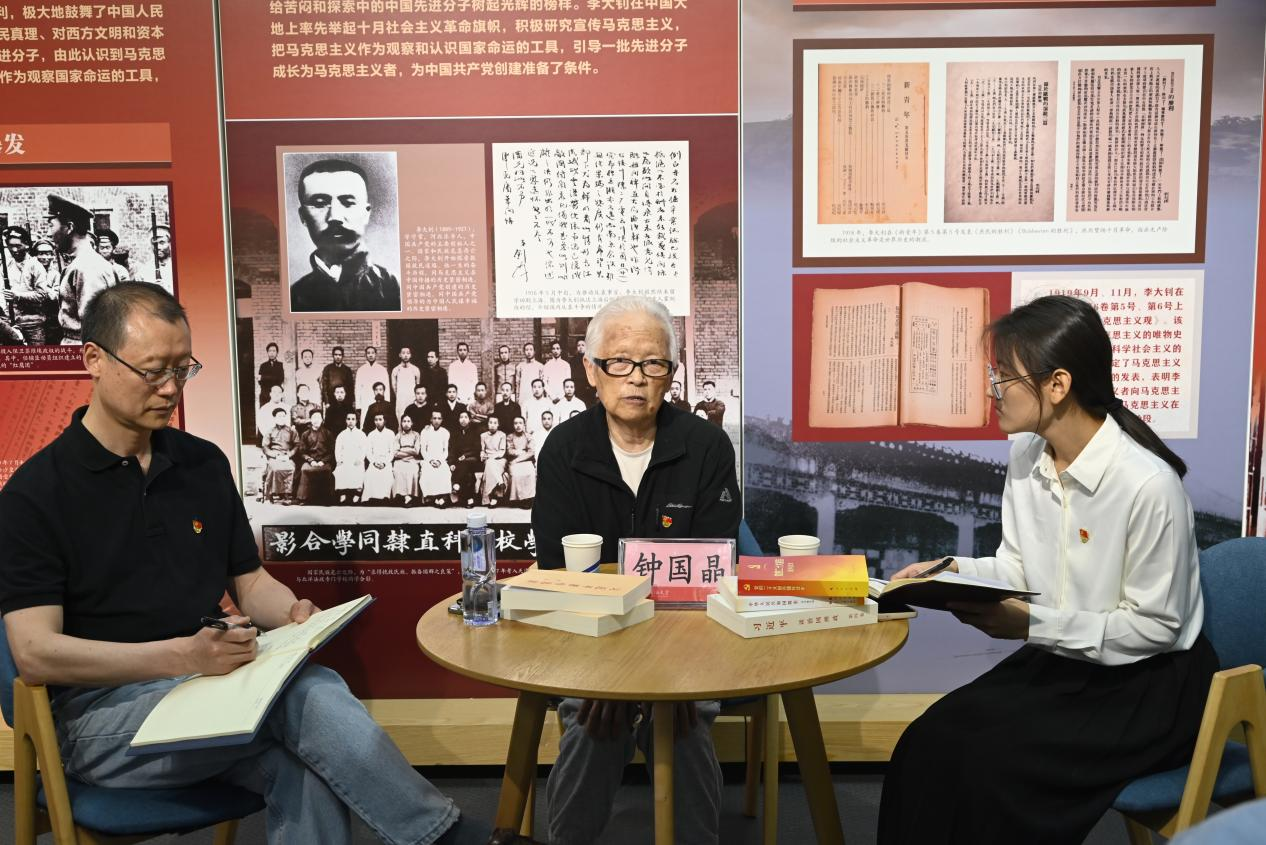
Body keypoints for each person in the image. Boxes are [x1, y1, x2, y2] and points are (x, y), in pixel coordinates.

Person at [0, 283, 489, 845]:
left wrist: (292, 613)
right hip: (100, 720)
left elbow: (250, 580)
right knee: (302, 696)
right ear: (94, 359)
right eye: (153, 371)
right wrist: (182, 656)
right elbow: (35, 653)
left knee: (307, 763)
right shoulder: (36, 494)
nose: (170, 388)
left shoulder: (200, 464)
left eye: (183, 370)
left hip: (206, 687)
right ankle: (446, 836)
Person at [877, 296, 1217, 845]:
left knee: (988, 769)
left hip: (1146, 684)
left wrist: (1032, 625)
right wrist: (950, 570)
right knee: (925, 741)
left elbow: (1156, 627)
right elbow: (1018, 564)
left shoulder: (1149, 485)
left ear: (1057, 385)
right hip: (1065, 658)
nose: (992, 391)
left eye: (1003, 377)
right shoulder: (1024, 455)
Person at [532, 294, 740, 845]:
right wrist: (613, 680)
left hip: (687, 642)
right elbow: (558, 577)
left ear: (671, 372)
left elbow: (712, 574)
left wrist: (669, 682)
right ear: (591, 370)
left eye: (653, 364)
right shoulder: (564, 449)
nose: (637, 378)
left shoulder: (706, 446)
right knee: (593, 723)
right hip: (592, 643)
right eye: (619, 362)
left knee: (684, 727)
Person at [289, 158, 400, 312]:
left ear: (366, 213)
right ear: (303, 216)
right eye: (320, 203)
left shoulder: (395, 288)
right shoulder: (294, 297)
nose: (335, 217)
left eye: (348, 203)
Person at [49, 195, 118, 344]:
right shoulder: (85, 263)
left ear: (69, 227)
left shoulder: (87, 267)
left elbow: (95, 327)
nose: (49, 233)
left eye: (51, 225)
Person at [3, 235, 58, 345]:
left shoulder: (54, 274)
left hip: (45, 320)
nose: (44, 257)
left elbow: (54, 295)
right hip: (19, 319)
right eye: (41, 253)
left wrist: (48, 292)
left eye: (48, 254)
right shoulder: (13, 267)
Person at [295, 408, 335, 505]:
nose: (316, 420)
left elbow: (332, 451)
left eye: (318, 418)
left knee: (327, 470)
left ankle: (326, 499)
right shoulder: (305, 434)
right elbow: (302, 452)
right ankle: (303, 498)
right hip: (310, 461)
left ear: (322, 420)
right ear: (310, 420)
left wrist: (323, 461)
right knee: (305, 470)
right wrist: (310, 460)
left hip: (324, 461)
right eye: (314, 418)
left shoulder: (328, 433)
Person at [261, 407, 297, 505]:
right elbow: (265, 447)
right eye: (279, 416)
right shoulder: (270, 431)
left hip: (287, 456)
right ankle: (273, 493)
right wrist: (274, 455)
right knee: (275, 468)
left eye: (283, 416)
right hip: (274, 456)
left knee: (291, 468)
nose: (282, 418)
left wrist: (289, 455)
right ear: (274, 418)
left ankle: (287, 494)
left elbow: (297, 445)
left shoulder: (291, 431)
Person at [419, 410, 452, 508]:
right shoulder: (425, 432)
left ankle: (442, 497)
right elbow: (423, 450)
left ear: (442, 420)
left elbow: (445, 451)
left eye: (439, 418)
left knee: (445, 471)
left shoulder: (445, 432)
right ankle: (432, 497)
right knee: (428, 471)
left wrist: (439, 461)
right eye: (434, 418)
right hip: (428, 458)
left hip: (441, 459)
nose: (437, 421)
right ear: (431, 419)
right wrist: (430, 461)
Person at [361, 411, 396, 505]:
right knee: (370, 474)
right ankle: (371, 497)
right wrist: (374, 462)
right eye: (376, 420)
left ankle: (385, 497)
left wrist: (385, 463)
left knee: (386, 474)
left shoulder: (390, 434)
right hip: (374, 460)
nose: (378, 422)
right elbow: (368, 452)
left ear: (384, 421)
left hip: (386, 461)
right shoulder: (371, 434)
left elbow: (392, 452)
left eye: (380, 419)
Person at [334, 410, 368, 505]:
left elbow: (364, 449)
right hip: (345, 459)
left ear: (356, 421)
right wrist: (339, 460)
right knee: (340, 468)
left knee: (358, 468)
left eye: (353, 419)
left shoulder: (361, 434)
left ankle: (357, 493)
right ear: (345, 420)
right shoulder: (341, 435)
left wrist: (360, 459)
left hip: (357, 459)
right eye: (348, 419)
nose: (350, 421)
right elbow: (338, 449)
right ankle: (343, 493)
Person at [448, 410, 481, 507]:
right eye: (461, 417)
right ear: (458, 420)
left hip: (472, 458)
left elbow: (477, 449)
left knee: (465, 463)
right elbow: (452, 450)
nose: (463, 419)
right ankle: (469, 498)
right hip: (459, 461)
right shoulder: (455, 433)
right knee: (468, 475)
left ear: (469, 420)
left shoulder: (475, 431)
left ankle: (456, 483)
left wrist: (465, 456)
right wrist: (451, 463)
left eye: (466, 417)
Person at [391, 413, 422, 506]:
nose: (406, 424)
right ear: (401, 423)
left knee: (412, 470)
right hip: (400, 460)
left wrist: (403, 450)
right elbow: (395, 452)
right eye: (404, 421)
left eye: (408, 421)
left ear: (412, 423)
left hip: (413, 460)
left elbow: (416, 451)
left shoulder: (416, 435)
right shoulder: (398, 435)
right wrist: (409, 451)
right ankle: (402, 496)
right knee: (398, 470)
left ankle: (410, 495)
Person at [505, 416, 535, 508]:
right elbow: (509, 451)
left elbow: (531, 452)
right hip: (513, 461)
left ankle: (528, 499)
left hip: (524, 460)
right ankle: (517, 499)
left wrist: (518, 459)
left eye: (520, 423)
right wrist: (520, 452)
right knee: (516, 474)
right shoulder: (510, 437)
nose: (518, 425)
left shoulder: (528, 436)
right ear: (513, 425)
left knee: (530, 473)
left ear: (524, 425)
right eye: (516, 423)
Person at [133, 224, 174, 291]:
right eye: (154, 244)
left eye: (162, 242)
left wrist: (166, 289)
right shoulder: (144, 271)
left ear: (170, 243)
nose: (158, 247)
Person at [354, 346, 389, 423]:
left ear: (376, 354)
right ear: (365, 355)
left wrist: (386, 402)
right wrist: (358, 405)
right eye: (368, 353)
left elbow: (386, 388)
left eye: (372, 353)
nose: (370, 355)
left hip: (379, 401)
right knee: (365, 421)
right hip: (365, 400)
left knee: (379, 420)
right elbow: (358, 389)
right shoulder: (361, 370)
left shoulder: (382, 370)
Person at [479, 415, 508, 507]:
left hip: (500, 459)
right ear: (487, 424)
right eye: (490, 422)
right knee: (489, 464)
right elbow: (482, 450)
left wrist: (491, 457)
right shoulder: (483, 435)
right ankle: (499, 483)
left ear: (498, 424)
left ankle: (491, 497)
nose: (492, 425)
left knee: (490, 464)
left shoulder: (502, 435)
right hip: (488, 459)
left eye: (495, 423)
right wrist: (482, 455)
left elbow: (502, 451)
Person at [391, 346, 421, 422]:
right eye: (403, 353)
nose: (405, 355)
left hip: (412, 398)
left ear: (410, 355)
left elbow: (418, 385)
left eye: (408, 353)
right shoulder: (396, 370)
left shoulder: (415, 369)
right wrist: (399, 395)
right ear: (400, 355)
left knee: (412, 416)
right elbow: (394, 386)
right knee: (400, 416)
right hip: (400, 399)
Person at [257, 341, 286, 406]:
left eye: (274, 351)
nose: (272, 353)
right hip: (265, 395)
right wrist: (273, 377)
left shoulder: (280, 365)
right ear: (267, 352)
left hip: (277, 395)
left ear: (277, 352)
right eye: (270, 351)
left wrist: (264, 377)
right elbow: (260, 381)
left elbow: (280, 379)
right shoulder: (263, 365)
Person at [570, 338, 595, 406]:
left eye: (583, 345)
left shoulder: (591, 360)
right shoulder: (573, 361)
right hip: (578, 391)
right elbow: (572, 376)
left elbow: (595, 376)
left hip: (590, 390)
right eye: (578, 345)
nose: (580, 347)